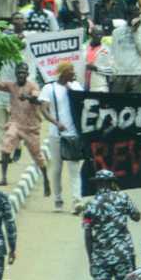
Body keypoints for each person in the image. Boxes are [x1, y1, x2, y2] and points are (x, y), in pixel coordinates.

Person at [82, 169, 141, 280]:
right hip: (123, 255)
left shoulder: (91, 205)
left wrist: (91, 260)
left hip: (100, 257)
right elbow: (137, 216)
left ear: (98, 184)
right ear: (112, 183)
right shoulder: (123, 198)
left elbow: (87, 233)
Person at [0, 63, 54, 193]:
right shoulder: (11, 86)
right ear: (16, 74)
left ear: (27, 74)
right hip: (16, 123)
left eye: (23, 73)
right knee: (6, 144)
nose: (21, 75)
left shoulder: (33, 86)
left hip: (31, 127)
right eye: (19, 73)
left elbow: (38, 99)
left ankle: (46, 180)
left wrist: (28, 97)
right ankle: (4, 177)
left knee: (37, 156)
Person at [39, 62, 85, 212]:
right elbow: (44, 109)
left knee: (74, 169)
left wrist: (71, 90)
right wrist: (55, 122)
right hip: (56, 135)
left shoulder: (76, 86)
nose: (73, 73)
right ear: (64, 73)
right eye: (71, 71)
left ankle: (77, 201)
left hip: (73, 135)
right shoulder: (49, 88)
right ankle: (58, 199)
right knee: (57, 169)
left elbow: (84, 104)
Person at [111, 8, 141, 93]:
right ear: (127, 17)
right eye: (133, 16)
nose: (135, 19)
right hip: (120, 73)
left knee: (135, 104)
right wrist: (113, 70)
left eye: (137, 16)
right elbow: (112, 52)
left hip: (136, 73)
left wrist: (135, 33)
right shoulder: (117, 32)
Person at [83, 25, 114, 92]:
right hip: (83, 85)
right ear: (91, 34)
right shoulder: (83, 47)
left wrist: (96, 68)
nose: (99, 37)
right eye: (97, 34)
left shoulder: (106, 50)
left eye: (101, 34)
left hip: (99, 86)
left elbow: (111, 70)